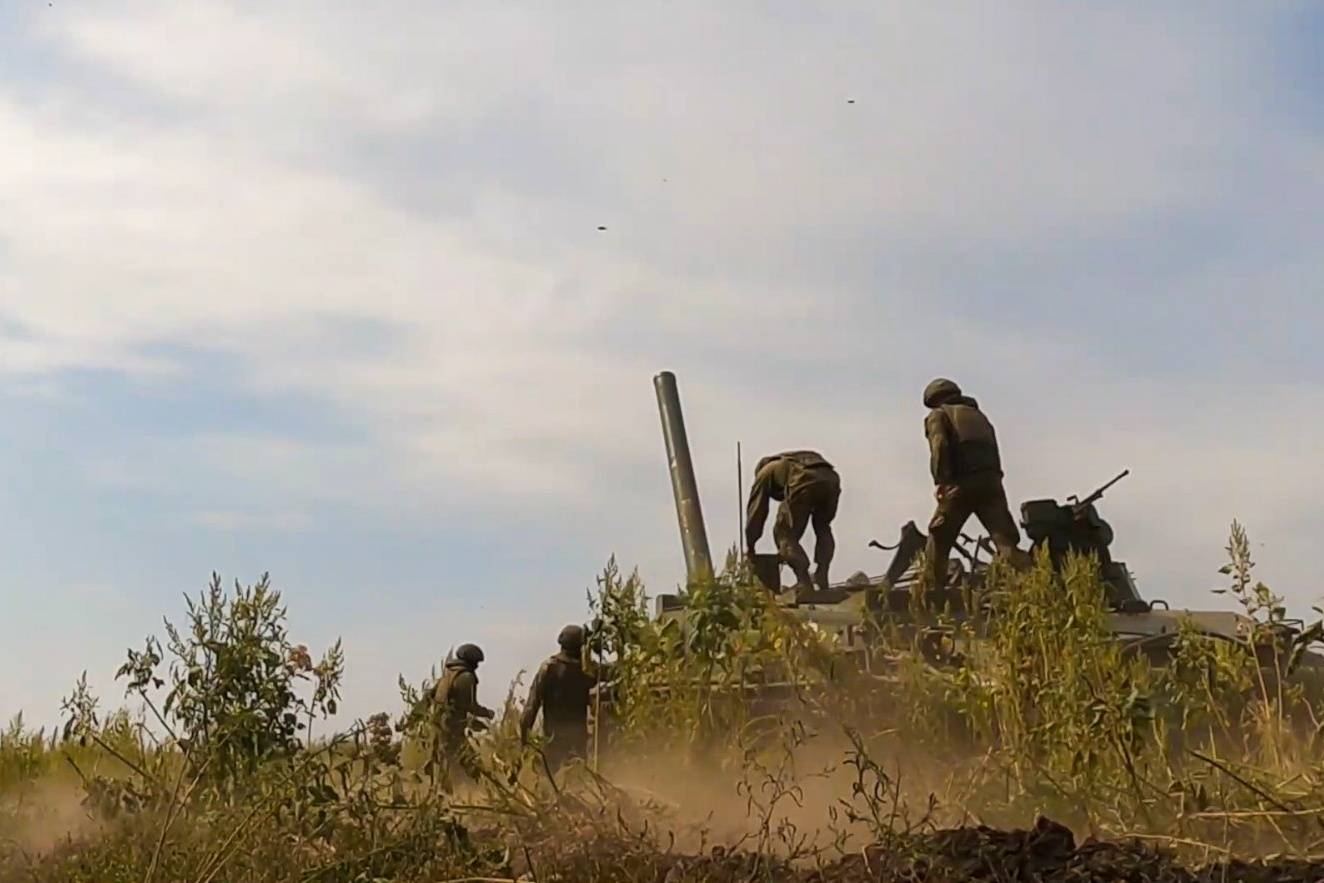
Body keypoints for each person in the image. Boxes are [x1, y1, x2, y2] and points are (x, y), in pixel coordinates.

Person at [921, 378, 1028, 588]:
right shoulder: (980, 417)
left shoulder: (940, 414)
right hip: (992, 484)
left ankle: (930, 594)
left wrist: (941, 481)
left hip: (961, 485)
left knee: (940, 537)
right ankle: (1038, 582)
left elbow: (940, 446)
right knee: (1006, 543)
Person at [744, 450, 841, 592]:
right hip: (831, 479)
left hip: (802, 478)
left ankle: (804, 581)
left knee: (783, 533)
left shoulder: (764, 473)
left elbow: (756, 511)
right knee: (823, 527)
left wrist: (750, 544)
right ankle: (822, 574)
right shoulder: (790, 460)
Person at [519, 624, 600, 772]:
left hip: (553, 737)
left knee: (551, 780)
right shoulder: (587, 671)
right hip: (578, 738)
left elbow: (531, 706)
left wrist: (524, 738)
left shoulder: (548, 668)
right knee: (577, 778)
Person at [434, 642, 494, 786]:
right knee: (470, 764)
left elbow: (431, 696)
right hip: (453, 728)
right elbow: (469, 705)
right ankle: (472, 793)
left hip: (441, 727)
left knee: (449, 765)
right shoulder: (466, 677)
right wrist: (487, 713)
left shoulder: (448, 675)